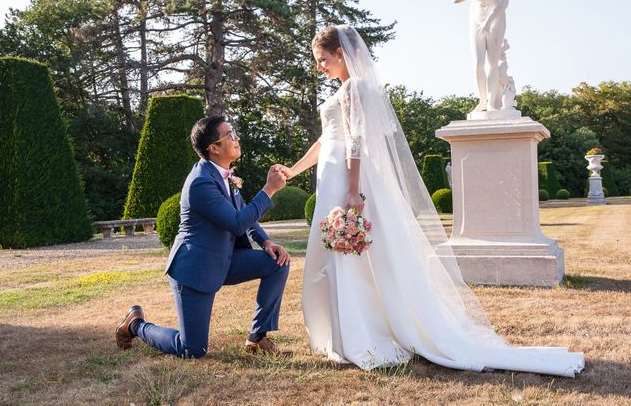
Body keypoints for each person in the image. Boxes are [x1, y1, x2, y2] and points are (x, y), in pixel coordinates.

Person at [279, 25, 584, 376]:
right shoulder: (340, 92)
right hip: (331, 176)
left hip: (346, 179)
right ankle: (346, 331)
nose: (320, 67)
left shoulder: (355, 89)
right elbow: (325, 140)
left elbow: (357, 140)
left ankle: (363, 332)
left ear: (342, 54)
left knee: (353, 258)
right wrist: (292, 170)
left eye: (323, 60)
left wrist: (351, 189)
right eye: (317, 61)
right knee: (336, 256)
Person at [115, 116, 292, 358]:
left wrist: (267, 242)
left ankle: (257, 338)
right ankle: (134, 325)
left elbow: (243, 214)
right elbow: (238, 224)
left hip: (225, 260)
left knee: (277, 262)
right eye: (230, 134)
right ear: (214, 148)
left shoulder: (224, 174)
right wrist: (269, 189)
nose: (236, 137)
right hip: (196, 268)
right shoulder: (200, 182)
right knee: (192, 349)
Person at [453, 0, 509, 112]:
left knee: (492, 61)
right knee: (478, 63)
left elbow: (504, 1)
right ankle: (482, 100)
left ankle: (493, 102)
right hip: (475, 19)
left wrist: (490, 19)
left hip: (495, 19)